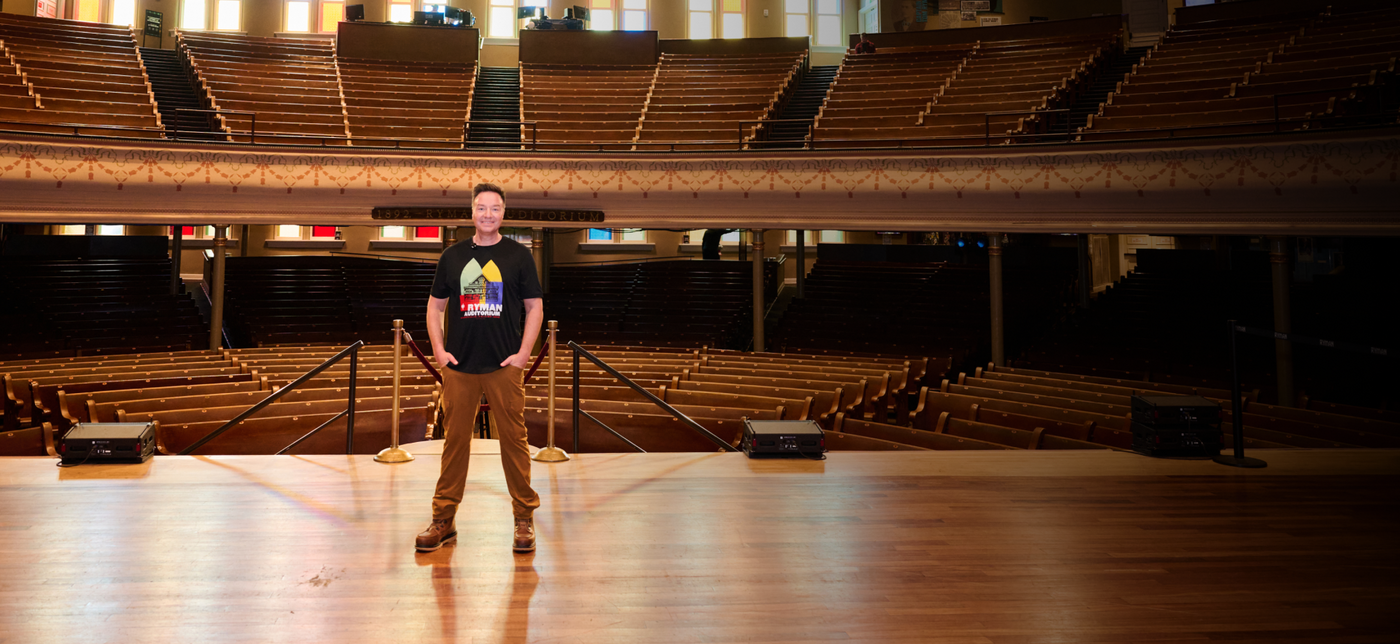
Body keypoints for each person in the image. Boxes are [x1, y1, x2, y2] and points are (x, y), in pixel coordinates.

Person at [416, 183, 544, 554]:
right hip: (459, 365)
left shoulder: (519, 256)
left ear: (504, 213)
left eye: (495, 208)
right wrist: (439, 350)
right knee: (454, 443)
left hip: (504, 365)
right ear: (471, 212)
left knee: (514, 443)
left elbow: (534, 307)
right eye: (481, 208)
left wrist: (523, 354)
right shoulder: (452, 257)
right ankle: (444, 519)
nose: (488, 214)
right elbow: (435, 307)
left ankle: (524, 517)